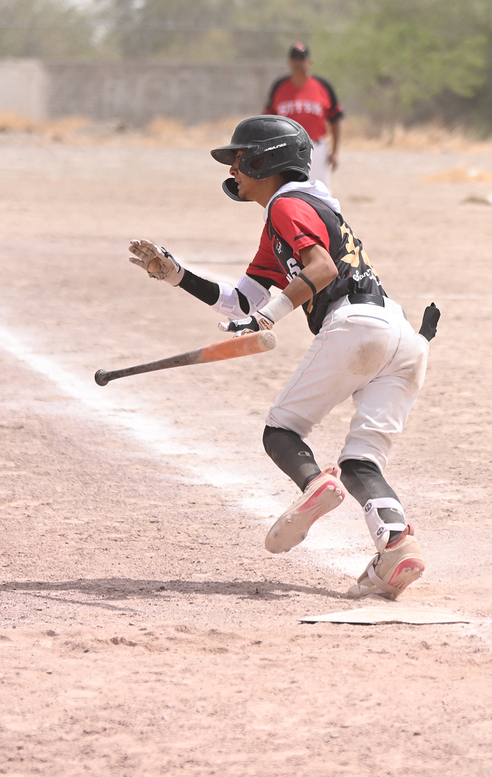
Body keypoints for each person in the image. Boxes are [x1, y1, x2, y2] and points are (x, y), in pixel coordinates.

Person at [126, 115, 438, 600]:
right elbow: (241, 302)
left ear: (264, 161)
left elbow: (321, 268)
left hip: (357, 326)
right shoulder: (291, 216)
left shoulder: (287, 205)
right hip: (404, 339)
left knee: (281, 432)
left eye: (239, 160)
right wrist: (176, 275)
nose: (233, 171)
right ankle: (396, 545)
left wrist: (266, 318)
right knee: (362, 462)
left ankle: (315, 485)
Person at [264, 42, 343, 187]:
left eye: (301, 58)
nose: (298, 63)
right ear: (289, 62)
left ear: (310, 62)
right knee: (288, 190)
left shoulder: (322, 86)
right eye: (294, 58)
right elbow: (268, 121)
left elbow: (335, 119)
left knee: (319, 190)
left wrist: (335, 152)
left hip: (317, 148)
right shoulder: (279, 86)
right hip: (286, 148)